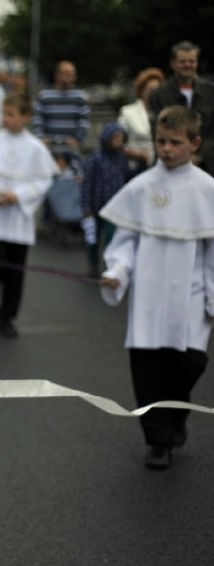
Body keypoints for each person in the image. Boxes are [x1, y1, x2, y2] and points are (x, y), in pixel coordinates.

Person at [99, 105, 214, 470]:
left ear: (194, 144)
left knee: (189, 361)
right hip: (149, 290)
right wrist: (117, 269)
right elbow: (125, 240)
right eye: (161, 141)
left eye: (175, 142)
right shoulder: (143, 186)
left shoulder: (208, 189)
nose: (165, 149)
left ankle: (175, 415)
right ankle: (158, 440)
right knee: (148, 367)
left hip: (192, 291)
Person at [0, 94, 57, 338]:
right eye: (4, 114)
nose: (6, 119)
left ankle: (7, 317)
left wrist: (18, 195)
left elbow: (43, 180)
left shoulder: (36, 148)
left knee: (15, 273)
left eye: (12, 114)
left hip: (18, 218)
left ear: (26, 117)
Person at [148, 40, 214, 177]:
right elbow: (156, 130)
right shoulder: (159, 95)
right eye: (182, 62)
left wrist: (198, 156)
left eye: (191, 61)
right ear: (173, 63)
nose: (187, 65)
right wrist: (180, 154)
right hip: (170, 165)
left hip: (207, 166)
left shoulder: (210, 92)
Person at [80, 123, 131, 277]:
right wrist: (86, 207)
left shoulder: (121, 159)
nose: (118, 142)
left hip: (115, 208)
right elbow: (87, 183)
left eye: (121, 139)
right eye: (115, 138)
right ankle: (93, 265)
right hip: (95, 206)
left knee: (111, 238)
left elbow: (126, 179)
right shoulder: (95, 159)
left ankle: (108, 268)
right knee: (92, 239)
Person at [32, 60, 90, 156]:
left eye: (73, 75)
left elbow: (84, 121)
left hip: (71, 146)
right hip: (48, 147)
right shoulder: (44, 96)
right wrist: (41, 138)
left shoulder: (80, 97)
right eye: (67, 74)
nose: (71, 78)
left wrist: (77, 138)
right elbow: (37, 120)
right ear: (57, 75)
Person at [118, 67, 164, 174]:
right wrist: (138, 154)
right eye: (151, 90)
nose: (154, 94)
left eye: (158, 90)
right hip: (135, 167)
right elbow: (119, 143)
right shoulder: (128, 112)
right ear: (141, 91)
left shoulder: (164, 112)